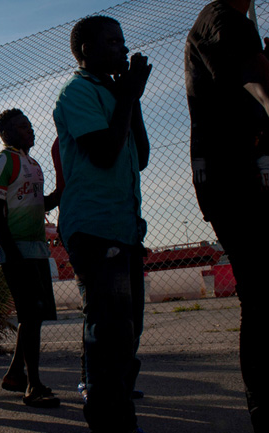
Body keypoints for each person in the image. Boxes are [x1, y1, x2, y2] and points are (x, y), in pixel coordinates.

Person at [53, 15, 151, 433]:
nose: (123, 49)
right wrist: (127, 97)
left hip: (124, 226)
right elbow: (106, 153)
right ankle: (110, 419)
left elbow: (140, 156)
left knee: (128, 329)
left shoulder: (115, 93)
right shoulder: (77, 92)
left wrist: (134, 97)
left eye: (123, 41)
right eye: (113, 42)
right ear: (87, 49)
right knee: (110, 328)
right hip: (94, 227)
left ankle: (112, 409)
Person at [185, 1, 269, 430]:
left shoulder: (217, 25)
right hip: (239, 176)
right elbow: (255, 76)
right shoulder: (225, 19)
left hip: (230, 176)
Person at [0, 109, 60, 408]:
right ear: (6, 132)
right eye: (21, 126)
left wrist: (63, 191)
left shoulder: (35, 164)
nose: (29, 129)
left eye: (29, 124)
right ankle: (33, 385)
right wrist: (10, 250)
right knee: (30, 315)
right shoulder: (2, 162)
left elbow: (40, 205)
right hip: (17, 250)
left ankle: (15, 374)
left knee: (35, 315)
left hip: (38, 248)